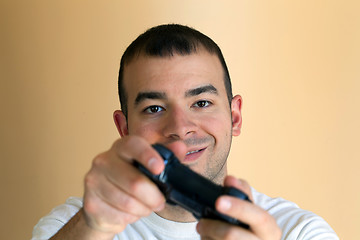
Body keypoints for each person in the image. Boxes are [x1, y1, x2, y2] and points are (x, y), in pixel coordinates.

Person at [32, 24, 339, 240]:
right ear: (125, 130)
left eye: (201, 102)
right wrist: (91, 225)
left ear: (234, 117)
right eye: (154, 108)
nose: (180, 128)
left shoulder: (300, 232)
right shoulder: (77, 225)